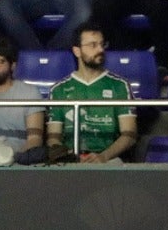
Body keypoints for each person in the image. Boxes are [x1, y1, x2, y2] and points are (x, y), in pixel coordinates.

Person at [46, 25, 139, 163]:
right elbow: (54, 137)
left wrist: (104, 156)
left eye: (102, 44)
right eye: (93, 45)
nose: (100, 49)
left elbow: (129, 135)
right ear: (77, 51)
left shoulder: (119, 85)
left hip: (110, 159)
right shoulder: (59, 89)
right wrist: (67, 155)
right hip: (70, 160)